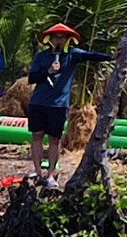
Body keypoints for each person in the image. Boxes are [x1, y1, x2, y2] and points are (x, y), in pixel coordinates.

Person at [25, 24, 111, 185]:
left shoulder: (73, 55)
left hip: (58, 105)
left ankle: (51, 174)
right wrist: (48, 72)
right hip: (38, 103)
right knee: (37, 136)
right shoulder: (41, 56)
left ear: (67, 39)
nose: (58, 40)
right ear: (50, 39)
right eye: (55, 37)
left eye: (62, 37)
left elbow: (92, 55)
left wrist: (112, 57)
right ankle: (36, 171)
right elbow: (32, 78)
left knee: (54, 139)